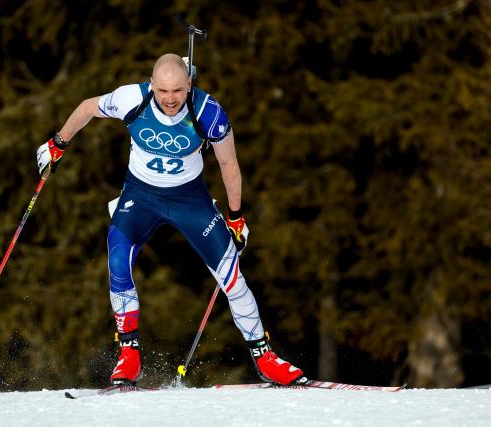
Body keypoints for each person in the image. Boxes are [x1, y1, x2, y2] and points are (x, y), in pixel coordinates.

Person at [36, 53, 304, 386]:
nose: (171, 99)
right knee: (118, 259)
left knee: (232, 277)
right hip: (141, 196)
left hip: (189, 200)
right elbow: (88, 107)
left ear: (189, 83)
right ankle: (129, 355)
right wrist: (58, 142)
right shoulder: (132, 99)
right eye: (163, 91)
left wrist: (235, 217)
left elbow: (229, 165)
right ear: (152, 85)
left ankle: (265, 358)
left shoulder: (207, 112)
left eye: (178, 90)